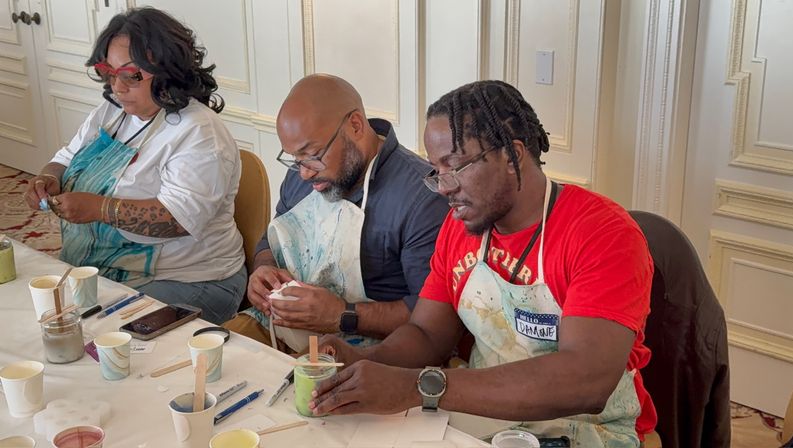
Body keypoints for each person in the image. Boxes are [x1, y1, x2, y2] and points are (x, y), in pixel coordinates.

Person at [310, 80, 657, 447]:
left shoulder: (602, 234)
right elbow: (427, 335)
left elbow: (585, 381)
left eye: (455, 167)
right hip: (484, 415)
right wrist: (367, 362)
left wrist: (420, 387)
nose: (443, 187)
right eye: (436, 170)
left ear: (512, 155)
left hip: (588, 428)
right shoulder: (461, 227)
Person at [24, 7, 246, 324]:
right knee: (47, 316)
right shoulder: (112, 112)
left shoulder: (199, 133)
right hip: (111, 271)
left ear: (169, 70)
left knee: (99, 335)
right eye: (108, 72)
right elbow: (65, 158)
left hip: (192, 282)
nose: (118, 86)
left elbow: (178, 219)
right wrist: (48, 177)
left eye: (131, 75)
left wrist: (100, 209)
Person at [224, 74, 449, 352]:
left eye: (314, 155)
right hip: (277, 328)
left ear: (355, 126)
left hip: (370, 350)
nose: (305, 173)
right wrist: (263, 271)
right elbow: (270, 242)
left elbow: (432, 317)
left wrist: (342, 314)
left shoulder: (420, 197)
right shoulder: (302, 174)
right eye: (295, 159)